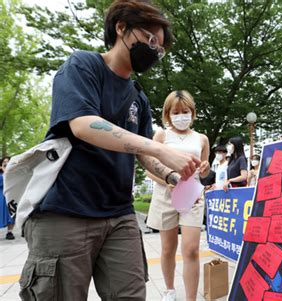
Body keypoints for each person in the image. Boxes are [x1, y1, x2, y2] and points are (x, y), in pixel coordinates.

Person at [18, 1, 201, 300]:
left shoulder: (138, 97)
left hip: (119, 215)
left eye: (161, 49)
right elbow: (83, 124)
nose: (155, 51)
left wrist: (174, 176)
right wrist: (161, 148)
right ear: (121, 28)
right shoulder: (83, 66)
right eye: (151, 40)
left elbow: (143, 155)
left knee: (131, 294)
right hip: (65, 210)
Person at [146, 90, 210, 301]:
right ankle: (169, 290)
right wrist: (168, 180)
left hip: (192, 196)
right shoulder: (162, 135)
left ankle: (191, 298)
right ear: (168, 113)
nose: (181, 116)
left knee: (191, 249)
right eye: (176, 112)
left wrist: (206, 168)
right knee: (167, 249)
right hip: (166, 195)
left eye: (185, 111)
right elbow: (149, 168)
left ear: (193, 113)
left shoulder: (202, 139)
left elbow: (205, 171)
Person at [1, 156, 14, 240]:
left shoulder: (14, 172)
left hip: (11, 194)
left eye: (8, 161)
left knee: (11, 213)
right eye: (4, 162)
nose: (6, 163)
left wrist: (6, 171)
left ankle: (10, 232)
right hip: (1, 195)